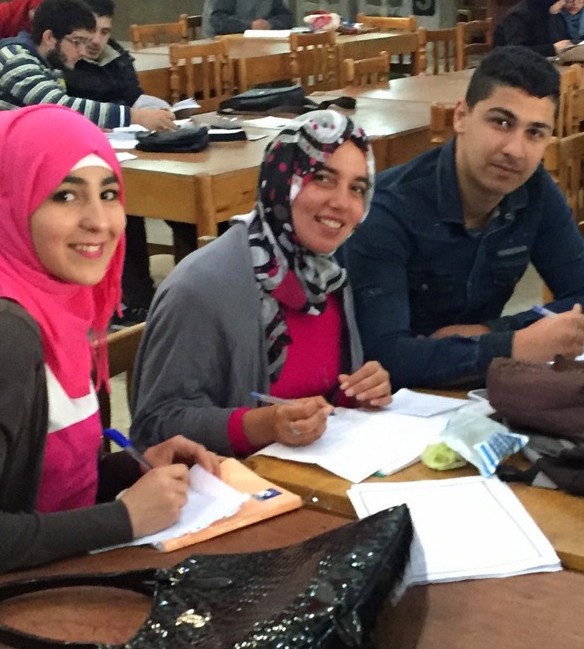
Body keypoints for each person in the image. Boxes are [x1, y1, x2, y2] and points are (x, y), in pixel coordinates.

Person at [0, 104, 221, 598]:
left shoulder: (52, 309)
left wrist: (134, 467)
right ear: (3, 203)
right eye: (65, 195)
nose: (99, 222)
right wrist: (124, 518)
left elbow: (40, 488)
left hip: (33, 586)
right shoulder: (0, 334)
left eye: (109, 194)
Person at [343, 46, 584, 388]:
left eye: (535, 133)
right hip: (383, 403)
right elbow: (384, 356)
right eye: (501, 122)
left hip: (470, 393)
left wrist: (490, 332)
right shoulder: (387, 209)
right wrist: (513, 346)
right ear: (461, 116)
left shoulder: (533, 190)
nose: (515, 150)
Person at [131, 111, 393, 454]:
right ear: (283, 179)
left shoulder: (326, 276)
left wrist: (358, 392)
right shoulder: (201, 289)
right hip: (230, 480)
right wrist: (261, 426)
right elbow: (154, 426)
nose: (342, 203)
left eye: (357, 188)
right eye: (322, 178)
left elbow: (323, 394)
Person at [60, 0, 162, 325]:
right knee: (122, 201)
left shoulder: (115, 57)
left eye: (104, 32)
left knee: (177, 205)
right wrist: (126, 114)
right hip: (81, 156)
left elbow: (133, 95)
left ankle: (194, 284)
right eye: (91, 32)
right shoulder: (66, 61)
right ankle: (134, 299)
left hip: (125, 146)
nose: (97, 41)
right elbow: (68, 109)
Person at [0, 0, 172, 130]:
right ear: (49, 37)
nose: (83, 51)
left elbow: (56, 120)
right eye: (77, 42)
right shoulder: (15, 58)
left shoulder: (52, 65)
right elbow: (59, 107)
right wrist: (135, 116)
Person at [493, 0, 568, 57]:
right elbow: (516, 51)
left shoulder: (554, 15)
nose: (563, 3)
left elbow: (561, 40)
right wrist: (552, 49)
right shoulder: (517, 17)